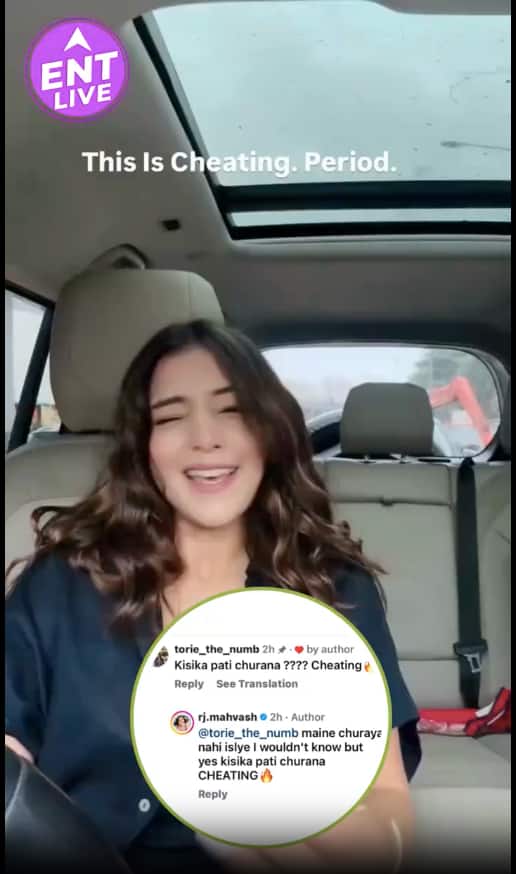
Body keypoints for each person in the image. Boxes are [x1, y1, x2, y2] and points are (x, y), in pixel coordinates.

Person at [5, 320, 421, 874]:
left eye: (232, 410)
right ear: (144, 446)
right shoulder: (62, 583)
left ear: (269, 430)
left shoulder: (332, 586)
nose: (205, 438)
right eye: (171, 417)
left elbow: (385, 803)